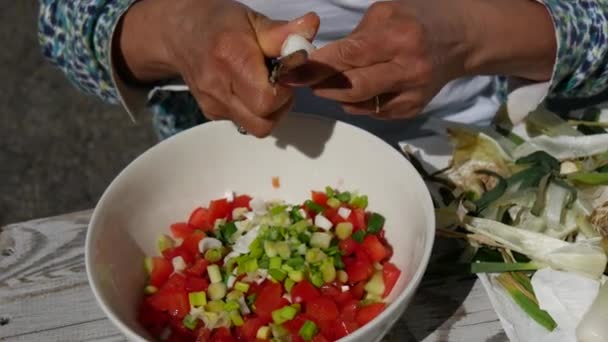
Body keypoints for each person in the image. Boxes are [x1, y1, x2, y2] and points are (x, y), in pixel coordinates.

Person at [38, 0, 608, 145]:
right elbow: (65, 25)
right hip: (240, 166)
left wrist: (477, 33)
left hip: (487, 158)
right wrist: (178, 29)